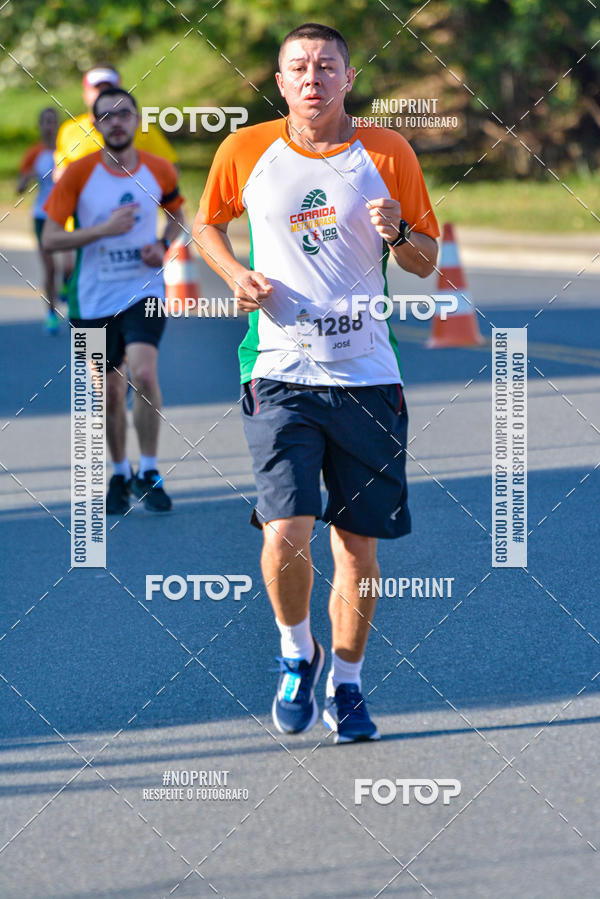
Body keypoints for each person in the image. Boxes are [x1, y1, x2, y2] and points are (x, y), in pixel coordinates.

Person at [193, 23, 440, 743]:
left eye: (326, 65)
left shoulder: (388, 152)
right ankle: (296, 650)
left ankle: (350, 684)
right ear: (280, 82)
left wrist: (398, 233)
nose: (312, 77)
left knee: (358, 550)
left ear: (349, 77)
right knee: (286, 527)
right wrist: (235, 274)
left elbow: (427, 261)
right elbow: (206, 222)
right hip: (278, 370)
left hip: (366, 376)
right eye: (298, 67)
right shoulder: (247, 150)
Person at [42, 87, 185, 515]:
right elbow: (50, 238)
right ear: (96, 124)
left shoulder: (159, 168)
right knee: (109, 389)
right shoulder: (79, 174)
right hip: (92, 299)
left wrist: (163, 245)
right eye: (106, 116)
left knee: (143, 373)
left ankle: (150, 469)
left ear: (137, 120)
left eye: (124, 114)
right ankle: (120, 472)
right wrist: (100, 231)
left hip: (144, 290)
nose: (116, 122)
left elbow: (179, 213)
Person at [54, 64, 177, 176]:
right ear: (85, 94)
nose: (103, 93)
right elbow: (59, 174)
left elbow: (171, 171)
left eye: (109, 88)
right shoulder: (69, 129)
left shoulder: (140, 127)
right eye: (97, 88)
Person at [17, 107, 61, 333]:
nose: (49, 125)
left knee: (72, 265)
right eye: (44, 121)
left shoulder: (68, 148)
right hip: (42, 215)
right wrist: (28, 176)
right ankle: (52, 313)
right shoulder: (35, 154)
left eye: (53, 121)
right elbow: (19, 188)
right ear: (40, 126)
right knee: (50, 267)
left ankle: (68, 294)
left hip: (68, 215)